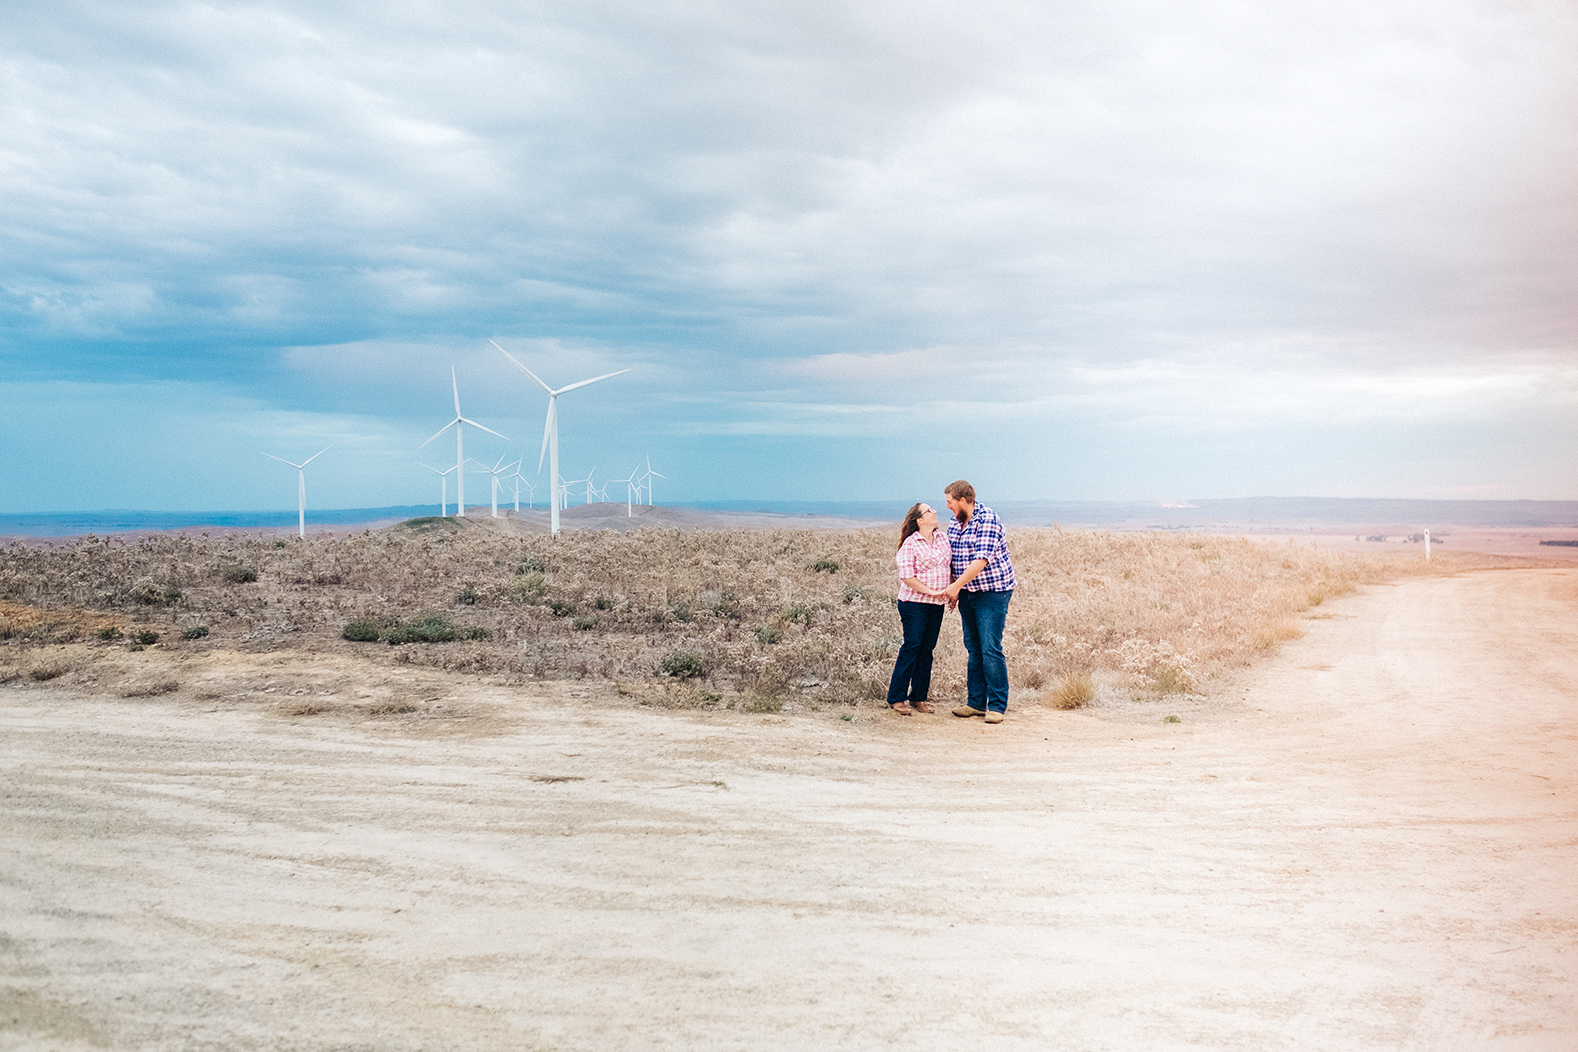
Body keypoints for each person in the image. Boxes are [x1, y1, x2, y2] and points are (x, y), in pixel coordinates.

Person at [941, 480, 1015, 724]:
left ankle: (997, 706)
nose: (948, 507)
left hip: (992, 592)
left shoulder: (987, 520)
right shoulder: (955, 521)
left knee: (989, 648)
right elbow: (955, 558)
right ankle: (975, 703)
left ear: (963, 500)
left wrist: (955, 586)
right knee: (973, 647)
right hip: (968, 592)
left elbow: (980, 560)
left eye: (950, 502)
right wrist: (956, 590)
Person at [886, 502, 952, 715]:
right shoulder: (910, 544)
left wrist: (951, 592)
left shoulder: (943, 539)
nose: (934, 512)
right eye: (929, 510)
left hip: (936, 605)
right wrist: (931, 591)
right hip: (914, 603)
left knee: (927, 649)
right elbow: (907, 577)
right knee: (912, 646)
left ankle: (919, 697)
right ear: (919, 520)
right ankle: (896, 697)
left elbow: (949, 567)